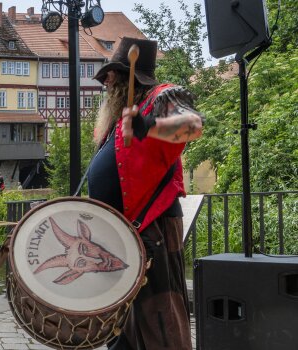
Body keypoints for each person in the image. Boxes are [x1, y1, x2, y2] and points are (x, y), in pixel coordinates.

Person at [88, 38, 203, 350]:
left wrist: (147, 124)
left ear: (131, 75)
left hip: (153, 231)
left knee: (160, 325)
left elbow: (192, 125)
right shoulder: (119, 119)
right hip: (120, 236)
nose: (107, 80)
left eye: (112, 73)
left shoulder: (162, 95)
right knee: (121, 327)